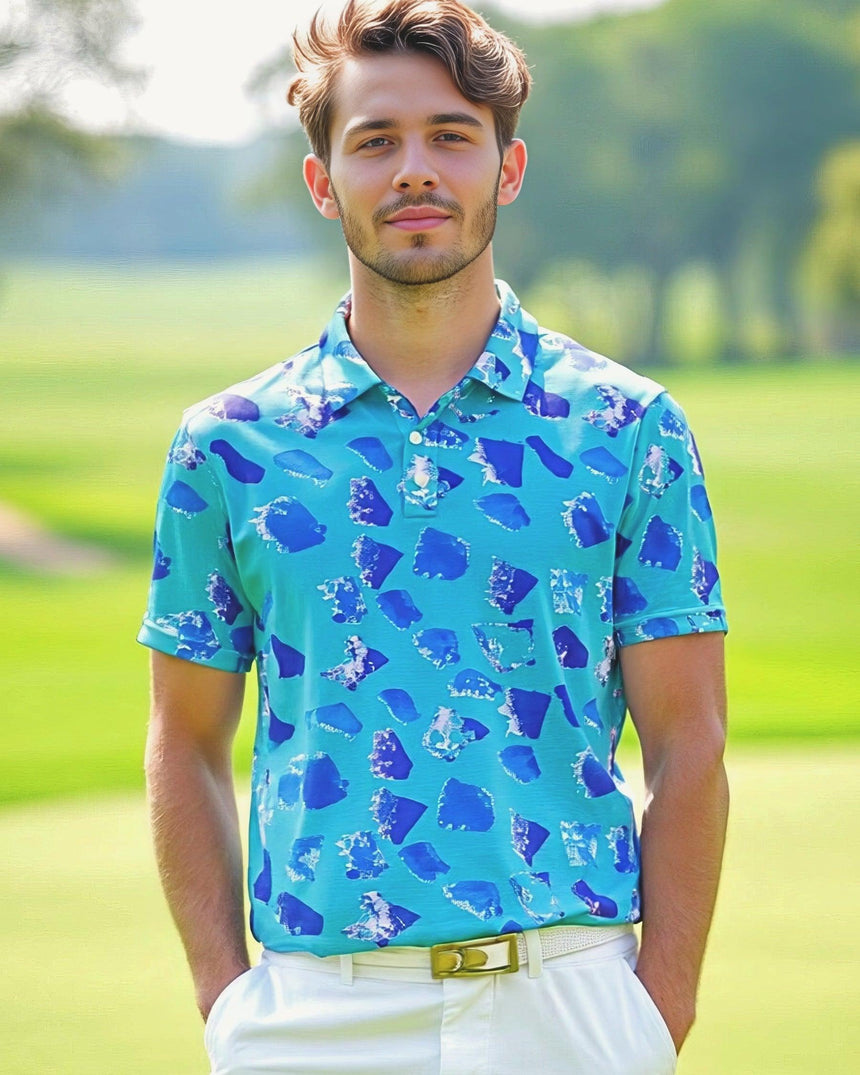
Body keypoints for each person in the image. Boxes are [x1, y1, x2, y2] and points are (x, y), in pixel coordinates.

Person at [140, 2, 729, 1072]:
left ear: (507, 168)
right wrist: (226, 1000)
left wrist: (659, 1007)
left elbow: (689, 741)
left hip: (568, 1007)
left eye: (451, 136)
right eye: (375, 141)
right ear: (323, 182)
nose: (415, 169)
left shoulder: (626, 427)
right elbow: (184, 739)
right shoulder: (227, 446)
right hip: (312, 1016)